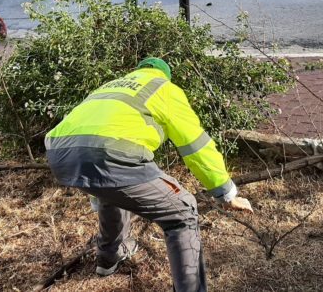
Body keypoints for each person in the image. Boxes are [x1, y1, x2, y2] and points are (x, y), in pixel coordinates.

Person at [46, 57, 253, 291]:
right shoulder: (164, 88)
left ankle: (109, 257)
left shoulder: (110, 86)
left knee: (112, 192)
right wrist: (226, 192)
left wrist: (96, 193)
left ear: (138, 71)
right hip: (111, 153)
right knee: (182, 212)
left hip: (58, 152)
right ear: (165, 75)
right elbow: (196, 145)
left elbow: (94, 139)